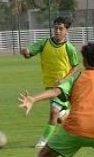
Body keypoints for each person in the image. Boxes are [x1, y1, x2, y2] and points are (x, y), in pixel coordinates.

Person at [20, 16, 80, 148]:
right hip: (49, 84)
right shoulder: (44, 43)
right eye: (56, 28)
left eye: (61, 28)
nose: (57, 31)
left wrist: (64, 79)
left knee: (53, 111)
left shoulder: (69, 48)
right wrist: (25, 52)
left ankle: (43, 141)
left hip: (63, 86)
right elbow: (29, 54)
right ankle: (70, 116)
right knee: (59, 117)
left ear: (67, 31)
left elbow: (75, 66)